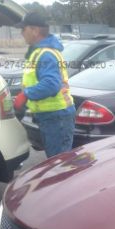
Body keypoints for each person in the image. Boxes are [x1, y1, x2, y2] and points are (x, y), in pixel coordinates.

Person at [13, 12, 75, 158]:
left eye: (24, 29)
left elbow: (51, 85)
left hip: (56, 116)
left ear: (35, 31)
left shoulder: (46, 54)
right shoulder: (38, 52)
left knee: (59, 163)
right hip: (52, 116)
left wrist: (26, 94)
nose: (21, 33)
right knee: (56, 160)